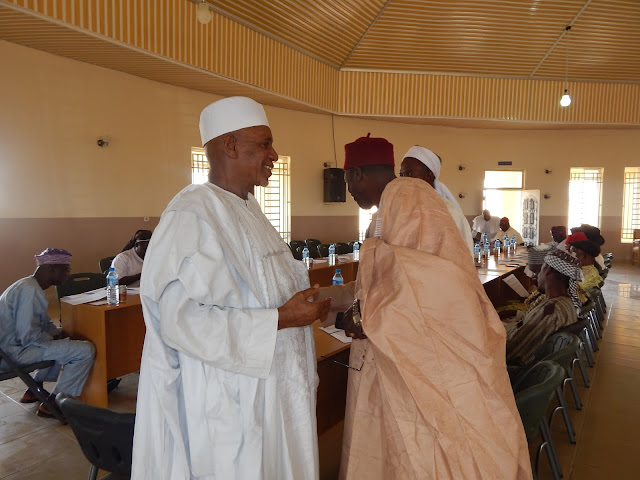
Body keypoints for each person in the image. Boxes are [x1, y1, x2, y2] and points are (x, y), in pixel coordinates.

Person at [131, 96, 331, 480]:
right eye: (264, 144)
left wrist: (305, 305)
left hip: (275, 389)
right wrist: (281, 318)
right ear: (230, 146)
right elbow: (180, 323)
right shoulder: (191, 214)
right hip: (229, 399)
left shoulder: (249, 208)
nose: (274, 155)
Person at [339, 136, 532, 479]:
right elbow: (395, 275)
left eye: (347, 182)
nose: (350, 192)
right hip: (396, 346)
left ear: (356, 174)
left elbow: (428, 285)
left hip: (423, 349)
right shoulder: (396, 201)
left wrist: (366, 313)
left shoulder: (408, 198)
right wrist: (363, 305)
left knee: (431, 442)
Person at [0, 248, 95, 419]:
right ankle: (55, 403)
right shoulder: (29, 291)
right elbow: (28, 336)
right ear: (51, 268)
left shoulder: (28, 285)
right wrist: (55, 338)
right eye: (65, 270)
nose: (67, 275)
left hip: (11, 348)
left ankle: (34, 388)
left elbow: (43, 322)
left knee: (62, 341)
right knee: (85, 350)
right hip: (13, 354)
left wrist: (59, 334)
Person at [506, 249, 582, 365]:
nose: (536, 276)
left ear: (548, 270)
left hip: (518, 369)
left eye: (540, 270)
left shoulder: (551, 311)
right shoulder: (565, 302)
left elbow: (511, 350)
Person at [399, 146, 474, 255]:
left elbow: (459, 254)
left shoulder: (448, 210)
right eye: (401, 175)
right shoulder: (403, 208)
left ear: (428, 176)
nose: (405, 180)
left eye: (410, 174)